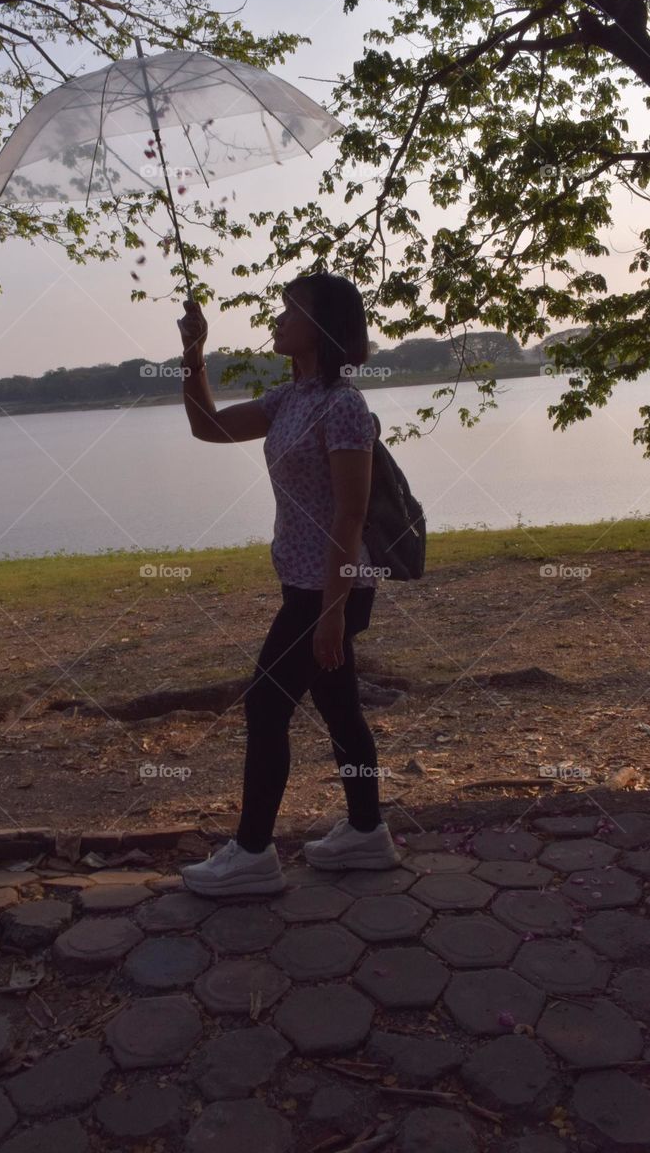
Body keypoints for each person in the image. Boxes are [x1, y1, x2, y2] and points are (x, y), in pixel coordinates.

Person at [177, 272, 400, 897]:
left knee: (266, 705)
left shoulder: (344, 406)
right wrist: (193, 353)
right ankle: (366, 831)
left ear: (322, 326)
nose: (276, 320)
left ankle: (252, 853)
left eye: (289, 310)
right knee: (338, 706)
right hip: (305, 586)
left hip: (329, 590)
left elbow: (349, 515)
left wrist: (331, 614)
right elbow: (209, 427)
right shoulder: (291, 398)